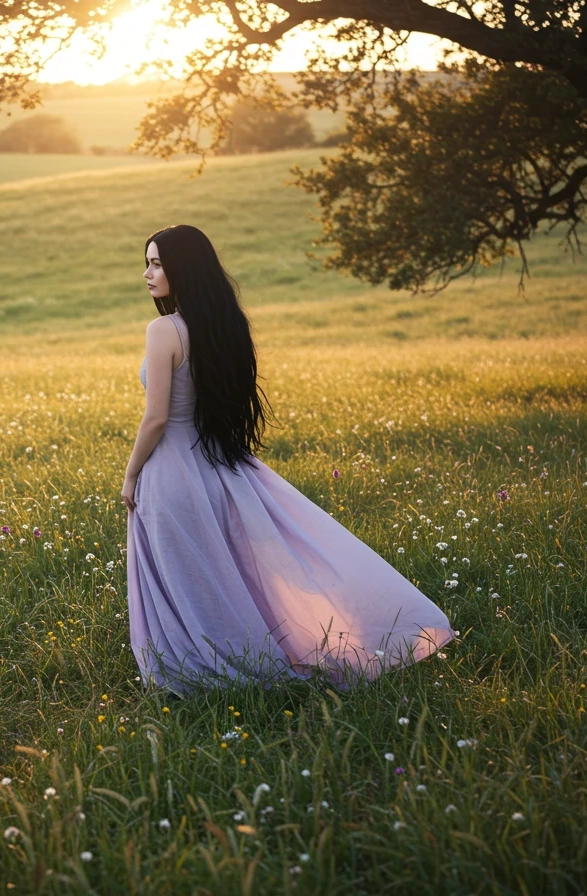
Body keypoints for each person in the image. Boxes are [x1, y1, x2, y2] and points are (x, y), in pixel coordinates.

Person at [122, 224, 455, 696]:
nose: (147, 273)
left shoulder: (163, 330)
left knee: (189, 578)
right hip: (218, 465)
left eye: (156, 263)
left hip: (172, 471)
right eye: (148, 262)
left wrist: (130, 474)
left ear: (183, 268)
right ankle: (259, 649)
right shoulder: (224, 325)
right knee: (237, 570)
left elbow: (156, 418)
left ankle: (199, 664)